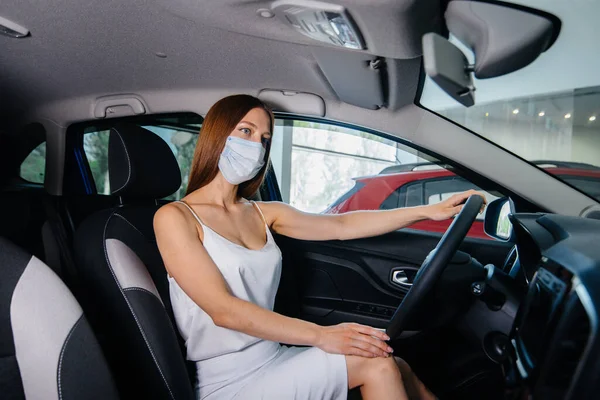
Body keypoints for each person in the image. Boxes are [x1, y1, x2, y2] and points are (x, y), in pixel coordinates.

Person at [154, 94, 485, 400]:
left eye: (264, 139)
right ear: (217, 134)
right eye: (246, 131)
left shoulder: (261, 213)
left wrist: (428, 210)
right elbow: (223, 311)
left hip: (274, 355)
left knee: (391, 361)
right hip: (227, 382)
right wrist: (321, 335)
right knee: (376, 365)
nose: (256, 145)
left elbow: (341, 226)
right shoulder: (175, 218)